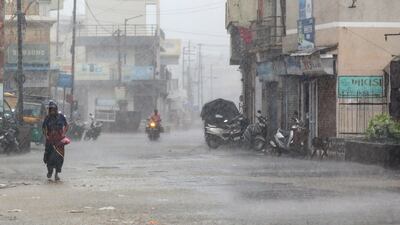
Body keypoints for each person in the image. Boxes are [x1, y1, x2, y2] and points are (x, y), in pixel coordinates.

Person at [42, 101, 69, 181]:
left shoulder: (61, 117)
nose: (52, 111)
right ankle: (50, 171)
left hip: (60, 141)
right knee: (49, 157)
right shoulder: (47, 118)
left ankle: (57, 173)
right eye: (51, 109)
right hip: (50, 141)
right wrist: (46, 135)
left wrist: (64, 133)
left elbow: (66, 125)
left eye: (53, 109)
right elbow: (43, 128)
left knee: (59, 158)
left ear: (56, 109)